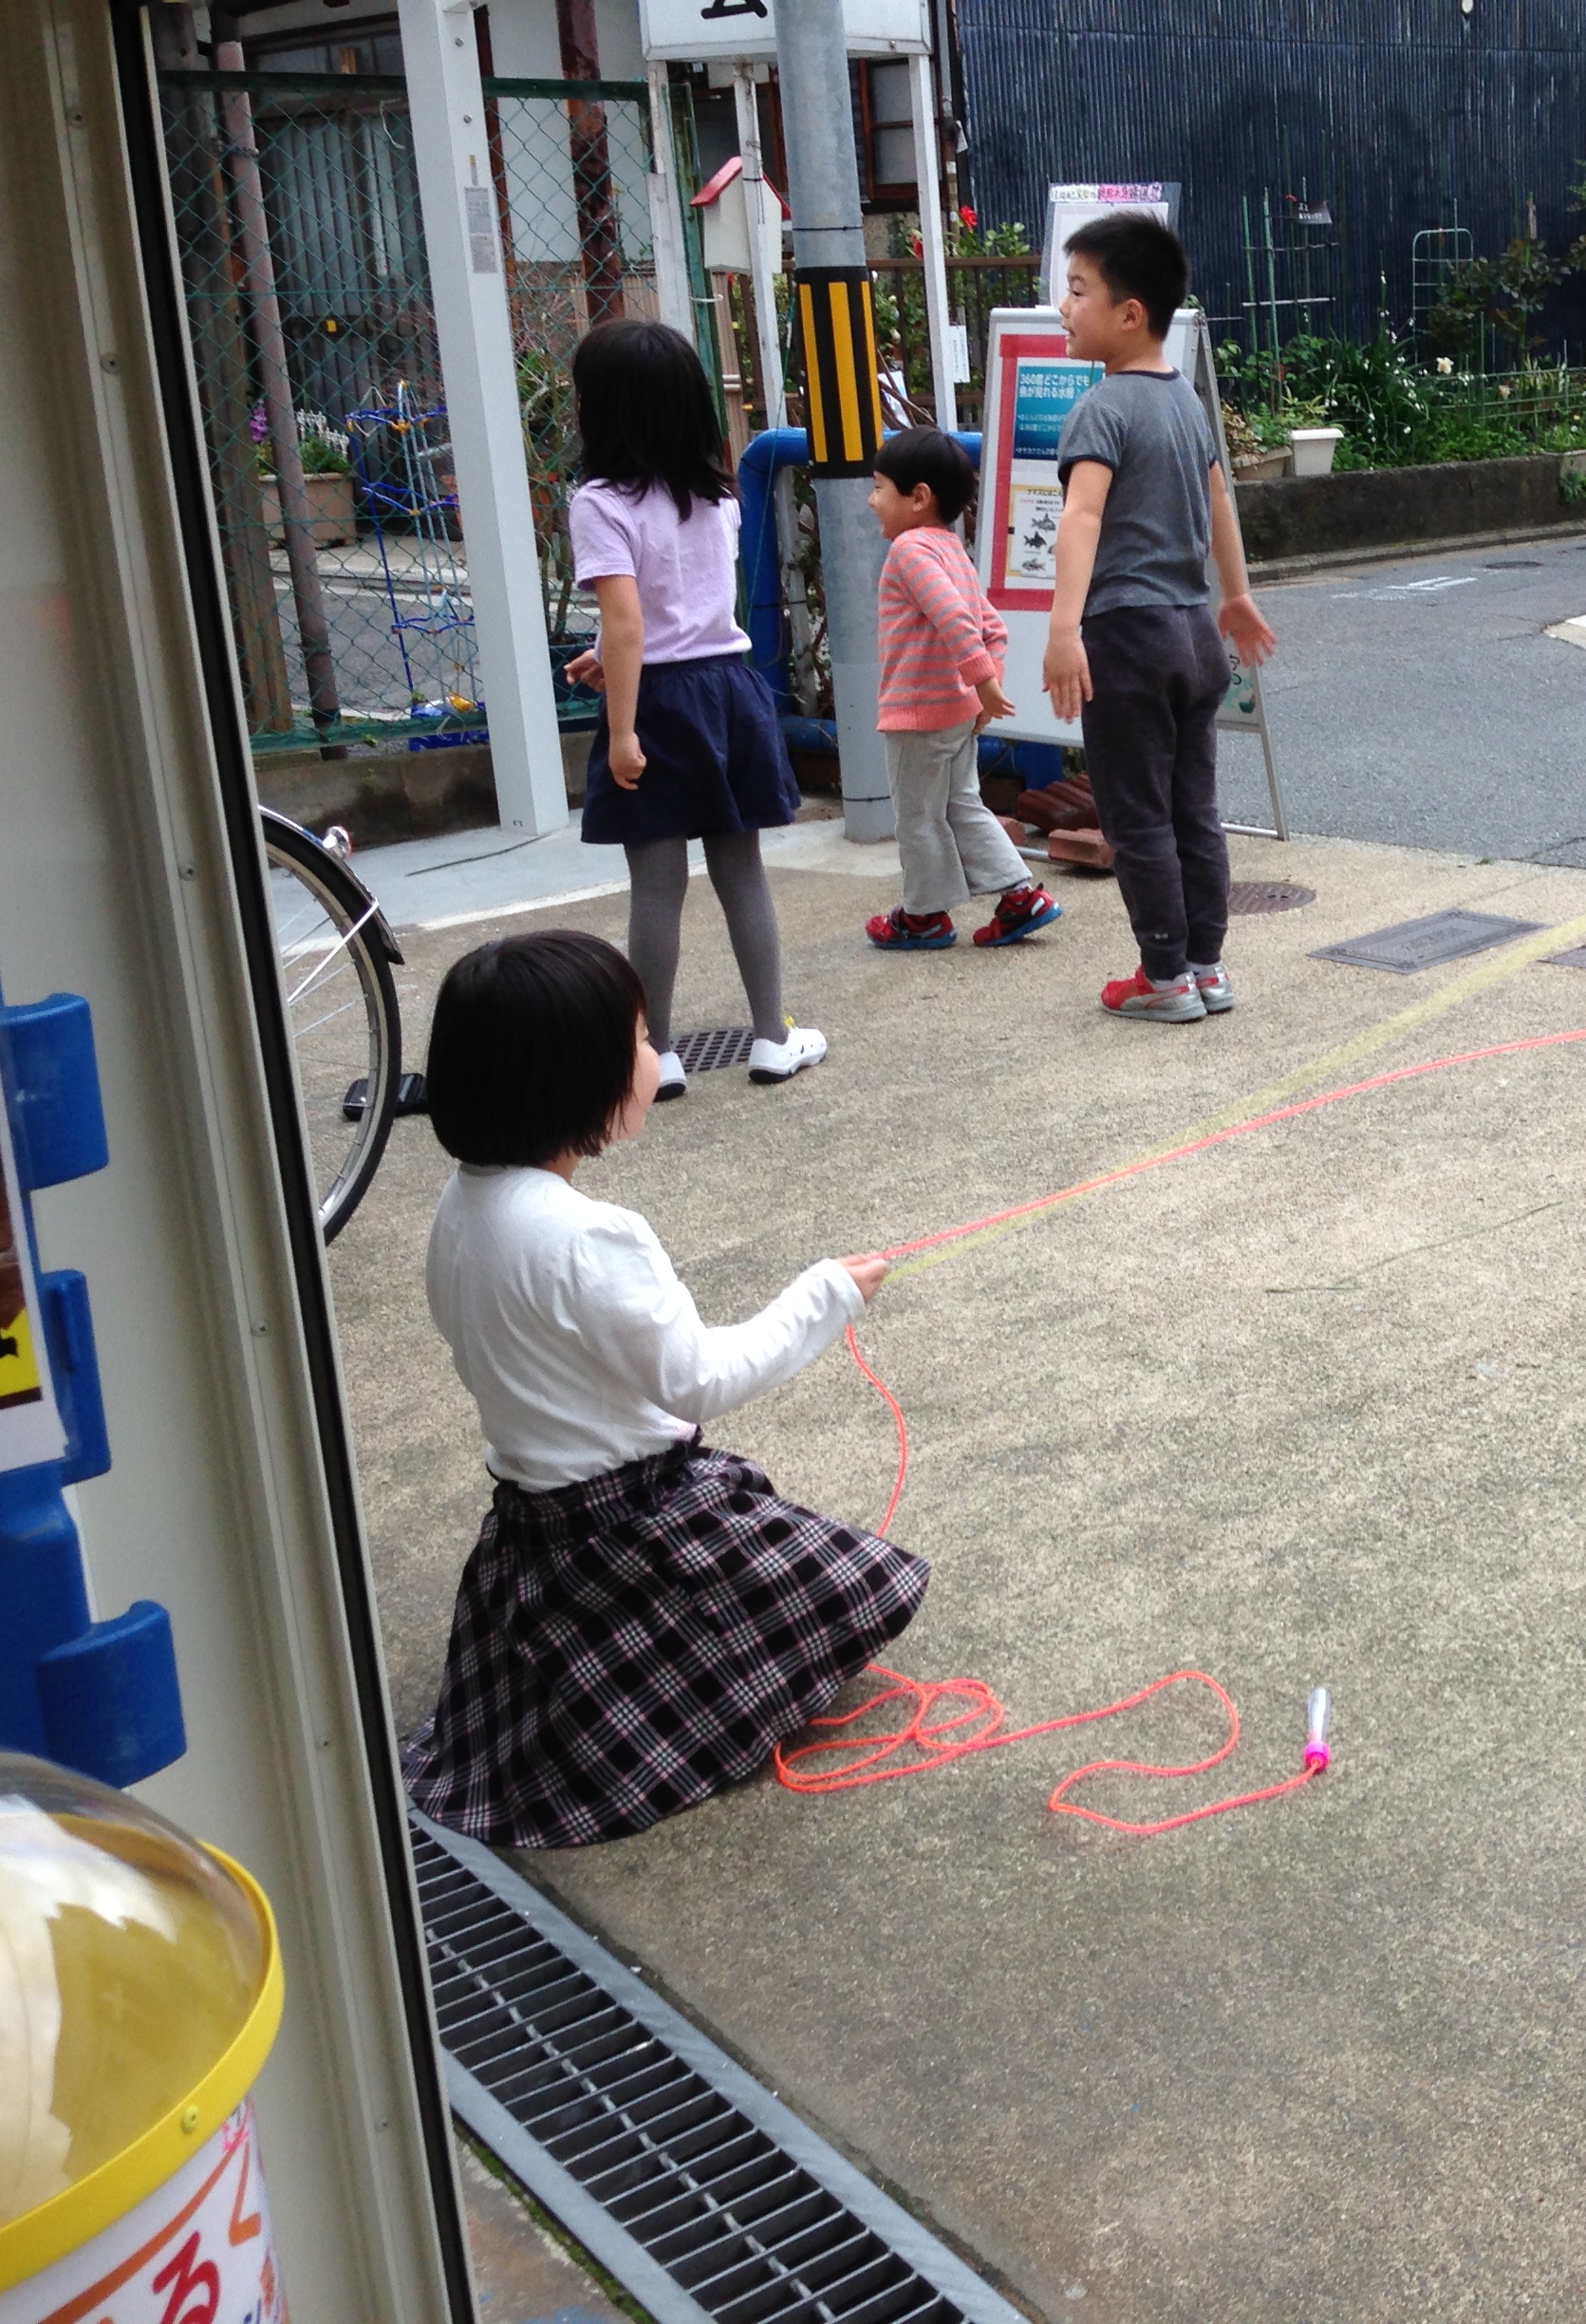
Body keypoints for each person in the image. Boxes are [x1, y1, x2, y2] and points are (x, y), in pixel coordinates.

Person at [403, 929, 924, 1847]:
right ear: (577, 1077)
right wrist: (825, 1296)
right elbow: (698, 1382)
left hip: (533, 1540)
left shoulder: (459, 1207)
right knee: (853, 1587)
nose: (654, 1054)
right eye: (642, 1039)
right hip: (638, 1527)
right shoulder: (590, 1238)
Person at [560, 318, 826, 1098]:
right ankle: (772, 1037)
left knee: (656, 886)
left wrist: (620, 730)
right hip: (728, 689)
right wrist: (614, 653)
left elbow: (628, 621)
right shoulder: (718, 496)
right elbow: (686, 605)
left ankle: (659, 1053)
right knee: (742, 871)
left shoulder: (599, 503)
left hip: (658, 705)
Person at [1040, 211, 1278, 1024]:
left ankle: (1164, 976)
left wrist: (1063, 630)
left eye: (1078, 291)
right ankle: (1206, 968)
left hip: (1127, 637)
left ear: (1130, 313)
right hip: (1192, 633)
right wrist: (1234, 595)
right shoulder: (1185, 404)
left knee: (1136, 815)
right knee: (1193, 810)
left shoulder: (1101, 408)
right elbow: (1219, 502)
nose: (1064, 307)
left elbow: (1081, 517)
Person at [859, 423, 1062, 952]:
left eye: (879, 487)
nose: (871, 499)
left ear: (918, 497)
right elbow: (992, 627)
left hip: (918, 713)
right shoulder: (953, 551)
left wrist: (983, 682)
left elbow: (954, 618)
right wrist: (984, 688)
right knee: (962, 805)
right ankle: (1020, 896)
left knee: (917, 817)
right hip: (957, 711)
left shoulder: (909, 551)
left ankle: (923, 915)